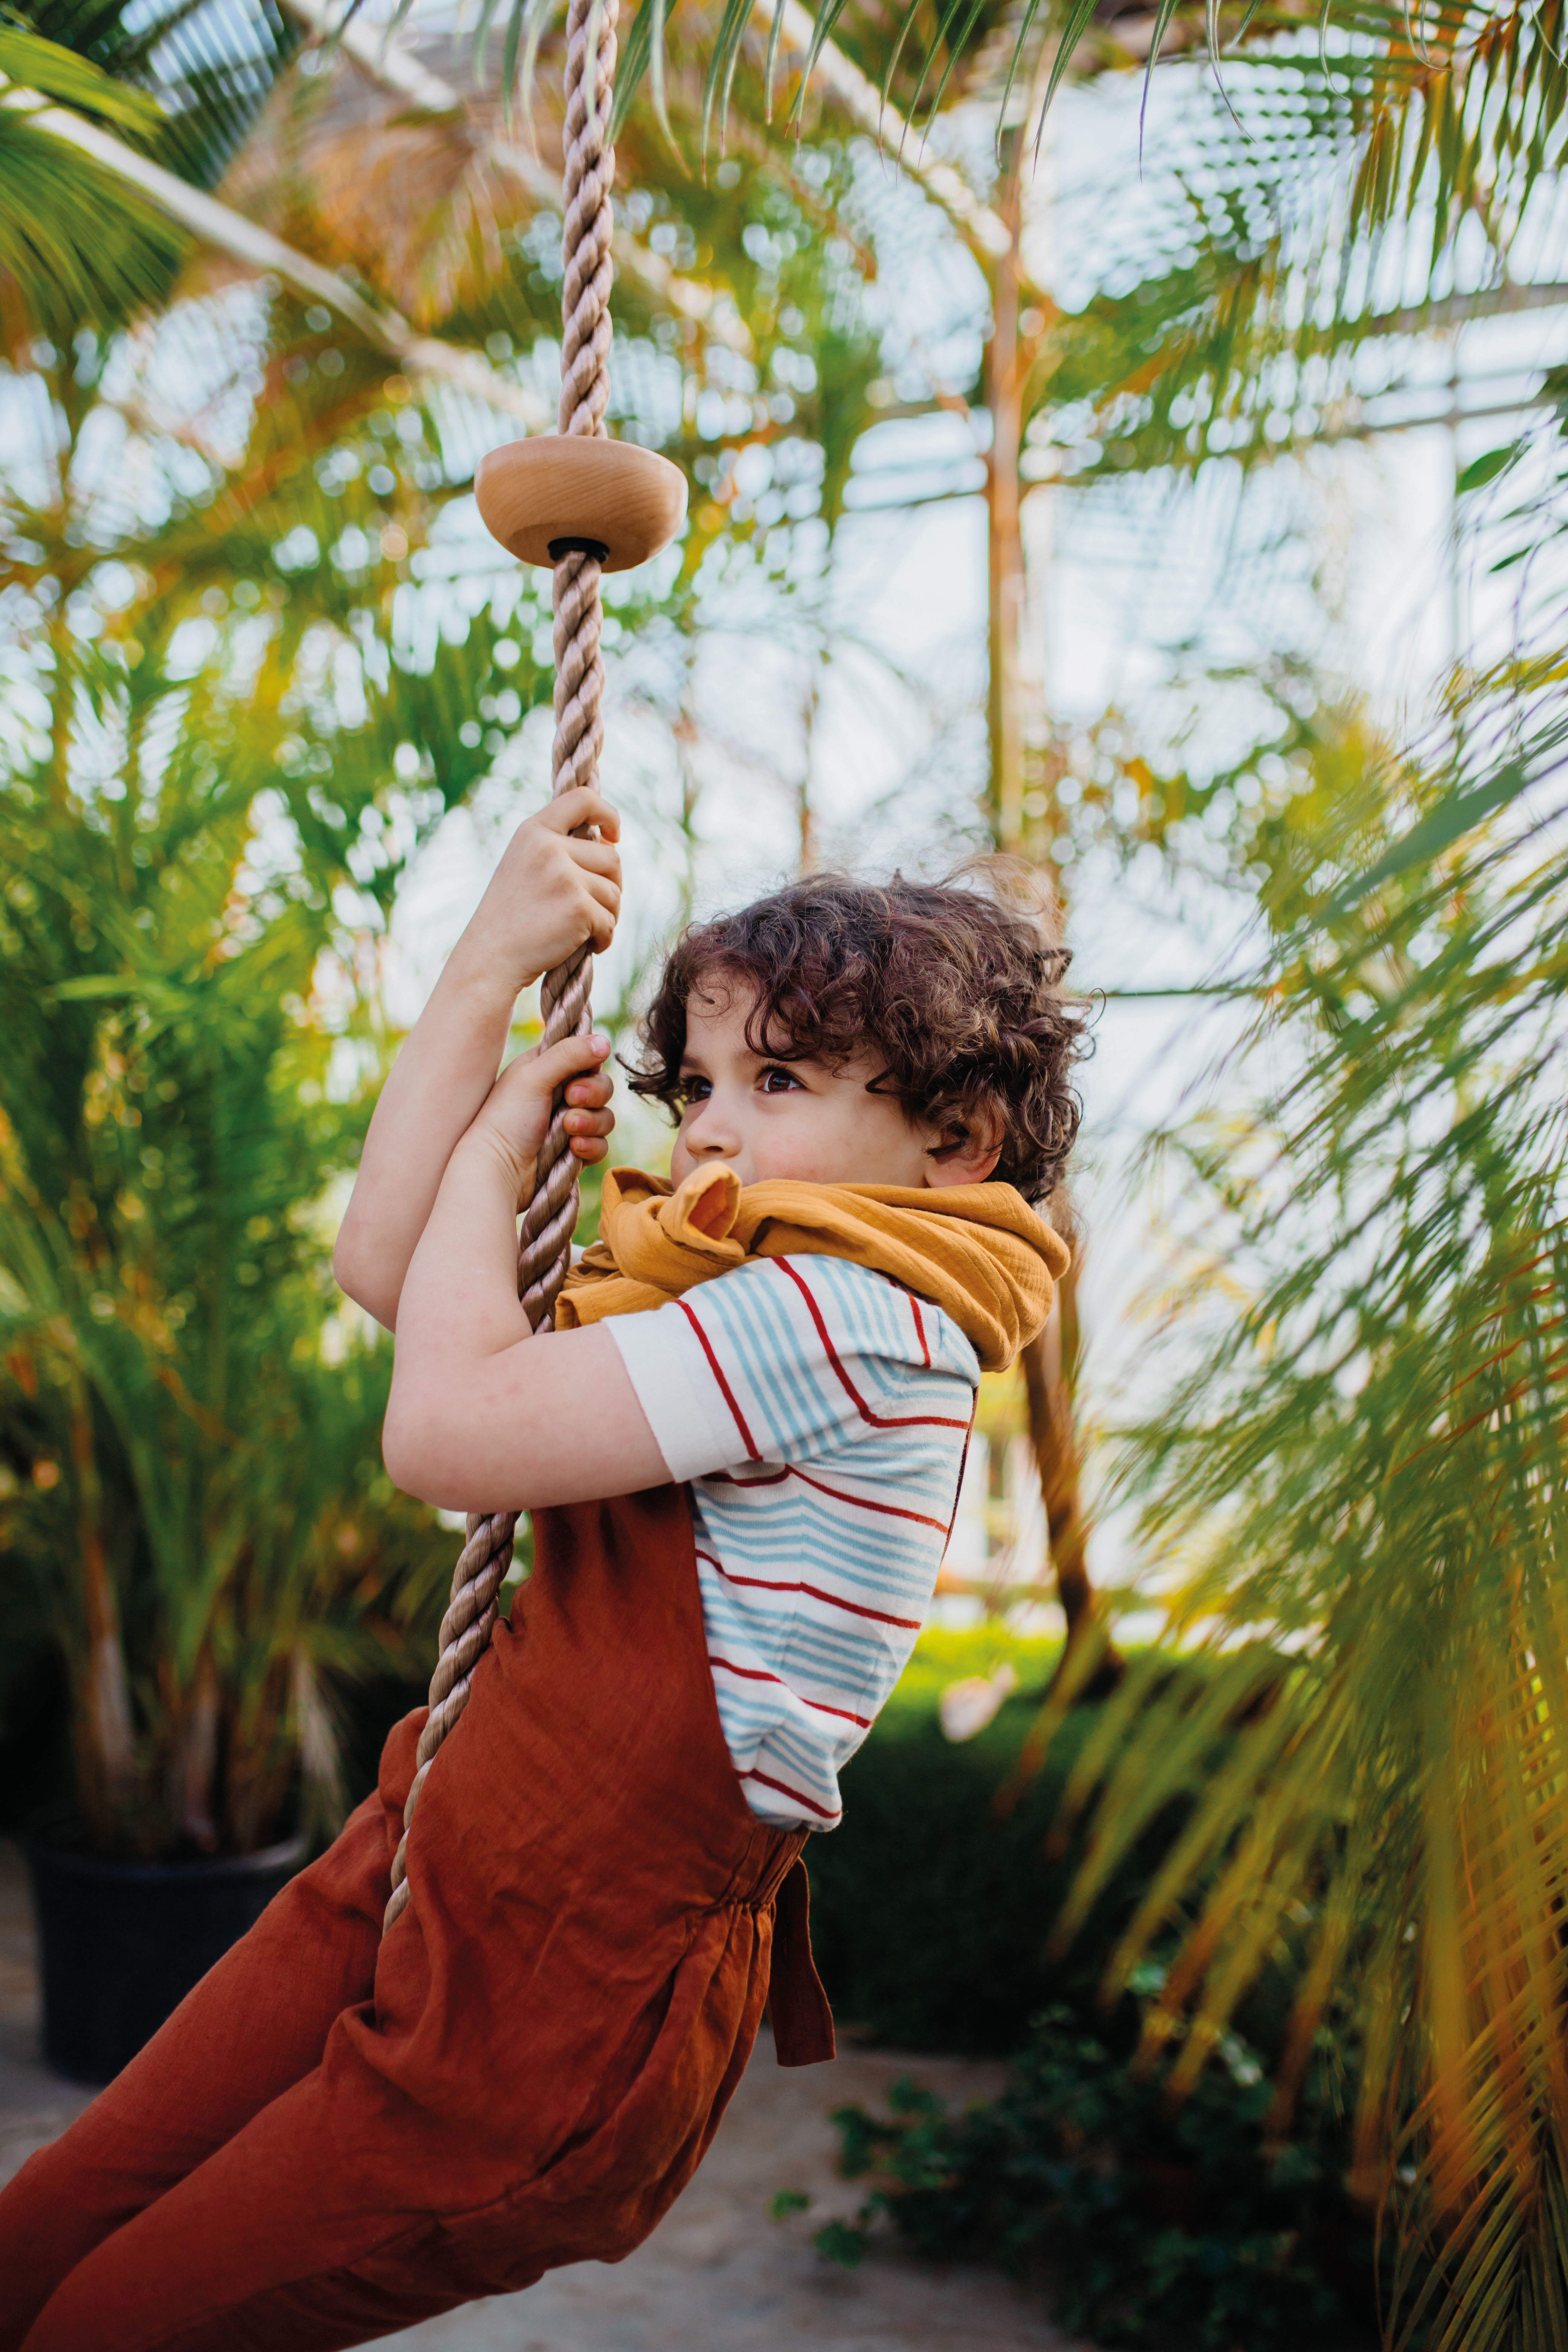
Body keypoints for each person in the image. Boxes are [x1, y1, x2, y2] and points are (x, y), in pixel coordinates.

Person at [0, 789, 1084, 2350]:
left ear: (953, 1141)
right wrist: (487, 970)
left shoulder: (855, 1323)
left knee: (109, 2321)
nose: (705, 1123)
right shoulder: (731, 1294)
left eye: (774, 1078)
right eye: (696, 1080)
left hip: (555, 2002)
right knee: (44, 2238)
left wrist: (506, 1143)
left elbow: (444, 1429)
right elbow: (393, 1266)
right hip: (421, 1853)